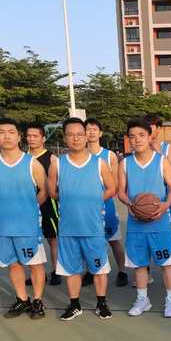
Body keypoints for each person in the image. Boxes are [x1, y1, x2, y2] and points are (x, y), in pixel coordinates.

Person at [47, 117, 117, 321]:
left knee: (99, 268)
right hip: (68, 228)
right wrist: (71, 200)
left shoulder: (99, 163)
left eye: (79, 134)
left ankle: (101, 303)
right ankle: (75, 304)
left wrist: (94, 200)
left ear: (86, 136)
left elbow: (111, 188)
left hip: (93, 227)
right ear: (64, 137)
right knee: (72, 270)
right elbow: (52, 192)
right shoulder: (57, 164)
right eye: (70, 134)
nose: (75, 138)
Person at [0, 118, 48, 319]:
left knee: (35, 264)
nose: (6, 136)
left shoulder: (31, 163)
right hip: (3, 226)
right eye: (1, 132)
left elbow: (44, 191)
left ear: (19, 137)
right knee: (13, 264)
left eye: (11, 132)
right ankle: (22, 299)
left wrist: (30, 208)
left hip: (28, 226)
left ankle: (37, 301)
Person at [118, 117, 171, 318]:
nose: (137, 140)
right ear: (128, 140)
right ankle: (142, 299)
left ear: (149, 137)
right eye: (132, 136)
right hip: (136, 223)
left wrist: (165, 206)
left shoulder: (161, 161)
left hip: (159, 222)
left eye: (141, 135)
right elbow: (121, 192)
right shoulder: (125, 163)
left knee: (166, 264)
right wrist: (130, 205)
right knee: (140, 264)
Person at [84, 118, 128, 287]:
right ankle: (91, 270)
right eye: (88, 129)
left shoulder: (109, 155)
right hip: (86, 208)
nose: (91, 132)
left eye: (94, 129)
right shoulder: (80, 155)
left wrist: (99, 196)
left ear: (100, 133)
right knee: (89, 241)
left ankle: (122, 271)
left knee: (113, 239)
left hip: (105, 204)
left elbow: (115, 183)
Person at [146, 113, 171, 287]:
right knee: (145, 235)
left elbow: (169, 171)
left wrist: (157, 151)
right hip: (145, 199)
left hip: (165, 199)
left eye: (151, 126)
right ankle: (145, 271)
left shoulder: (168, 148)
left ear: (158, 129)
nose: (148, 129)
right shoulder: (138, 147)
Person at [26, 123, 61, 286]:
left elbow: (57, 183)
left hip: (48, 204)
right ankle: (37, 272)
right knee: (31, 239)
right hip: (28, 204)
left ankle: (56, 271)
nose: (31, 139)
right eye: (29, 136)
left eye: (35, 136)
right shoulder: (23, 158)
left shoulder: (52, 158)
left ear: (43, 138)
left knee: (52, 239)